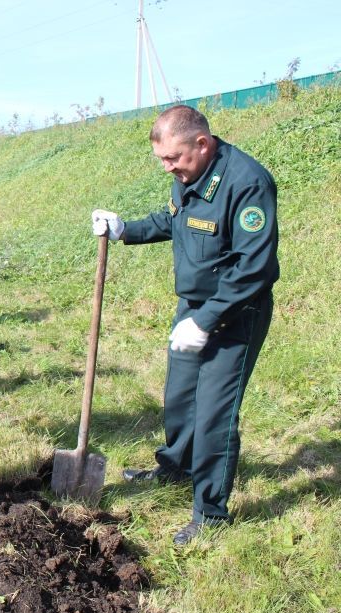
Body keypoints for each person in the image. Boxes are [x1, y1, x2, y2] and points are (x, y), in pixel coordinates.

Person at [92, 104, 278, 546]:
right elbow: (174, 220)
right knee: (179, 397)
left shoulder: (247, 182)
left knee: (215, 412)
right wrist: (125, 230)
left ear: (202, 142)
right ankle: (176, 467)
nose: (167, 167)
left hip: (236, 313)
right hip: (194, 308)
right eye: (161, 160)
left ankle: (210, 513)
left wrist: (208, 320)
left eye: (173, 158)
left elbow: (254, 267)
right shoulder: (188, 178)